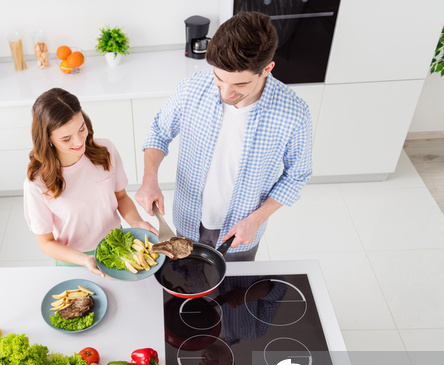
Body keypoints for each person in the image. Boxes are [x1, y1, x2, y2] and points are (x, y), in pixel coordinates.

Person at [135, 11, 312, 261]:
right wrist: (149, 177)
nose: (226, 92)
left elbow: (297, 175)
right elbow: (159, 132)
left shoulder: (293, 113)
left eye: (239, 85)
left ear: (266, 69)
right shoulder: (192, 89)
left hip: (241, 233)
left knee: (233, 295)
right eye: (219, 79)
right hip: (187, 220)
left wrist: (256, 219)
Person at [24, 87, 157, 276]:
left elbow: (121, 197)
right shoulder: (37, 183)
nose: (79, 141)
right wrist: (85, 260)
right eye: (66, 138)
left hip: (116, 245)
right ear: (47, 139)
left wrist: (137, 222)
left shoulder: (105, 151)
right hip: (74, 260)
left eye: (81, 129)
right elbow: (46, 242)